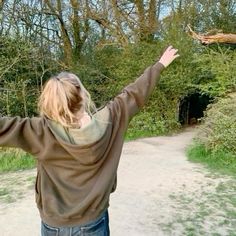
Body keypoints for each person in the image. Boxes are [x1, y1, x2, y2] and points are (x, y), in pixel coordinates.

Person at [0, 46, 179, 236]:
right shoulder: (110, 119)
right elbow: (134, 94)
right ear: (83, 96)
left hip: (53, 225)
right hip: (93, 223)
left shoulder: (39, 131)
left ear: (50, 102)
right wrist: (159, 65)